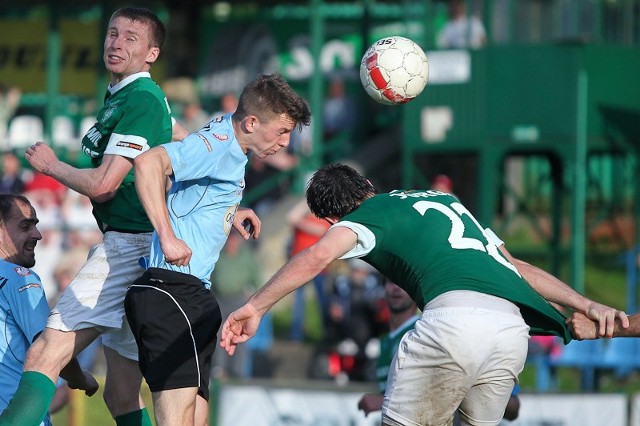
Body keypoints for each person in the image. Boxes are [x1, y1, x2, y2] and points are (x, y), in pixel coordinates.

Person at [221, 163, 627, 426]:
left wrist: (256, 305)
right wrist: (585, 302)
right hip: (509, 332)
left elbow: (317, 257)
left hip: (452, 323)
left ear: (328, 218)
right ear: (368, 184)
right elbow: (515, 268)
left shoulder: (364, 219)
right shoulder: (445, 198)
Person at [0, 7, 191, 426]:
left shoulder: (141, 98)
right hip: (140, 247)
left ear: (152, 54)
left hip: (130, 245)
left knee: (44, 353)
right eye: (112, 33)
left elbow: (105, 183)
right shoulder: (126, 97)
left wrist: (51, 166)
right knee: (121, 393)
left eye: (131, 38)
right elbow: (183, 139)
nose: (117, 43)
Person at [124, 73, 311, 426]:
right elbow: (149, 163)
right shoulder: (221, 143)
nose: (285, 143)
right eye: (282, 131)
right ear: (252, 122)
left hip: (191, 292)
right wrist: (166, 235)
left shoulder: (230, 139)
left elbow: (198, 181)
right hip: (171, 290)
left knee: (195, 419)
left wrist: (229, 212)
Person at [0, 194, 98, 425]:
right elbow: (48, 347)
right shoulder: (19, 279)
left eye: (36, 225)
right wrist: (81, 378)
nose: (37, 234)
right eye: (25, 226)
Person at [357, 280, 420, 416]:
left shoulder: (422, 332)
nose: (397, 287)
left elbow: (436, 390)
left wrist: (382, 401)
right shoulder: (384, 340)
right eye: (391, 281)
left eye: (403, 281)